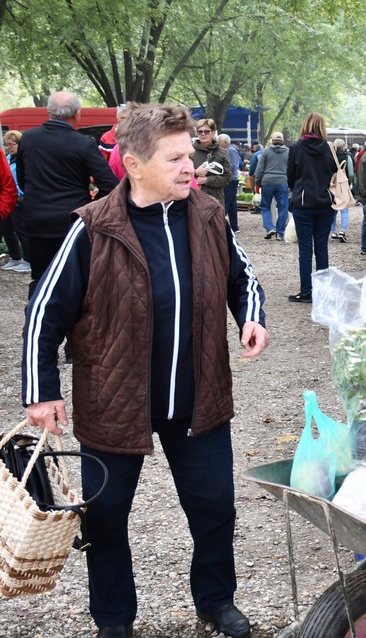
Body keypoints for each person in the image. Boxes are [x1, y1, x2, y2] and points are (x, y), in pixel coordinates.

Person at [21, 102, 268, 638]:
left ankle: (216, 600)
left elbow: (243, 277)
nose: (190, 167)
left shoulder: (207, 215)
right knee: (106, 520)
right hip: (114, 402)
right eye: (175, 158)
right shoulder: (93, 228)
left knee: (214, 509)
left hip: (197, 396)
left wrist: (252, 316)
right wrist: (41, 390)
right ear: (133, 164)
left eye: (189, 155)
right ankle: (113, 620)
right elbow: (44, 313)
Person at [17, 91, 119, 296]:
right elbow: (110, 184)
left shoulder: (28, 139)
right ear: (78, 114)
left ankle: (37, 323)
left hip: (36, 221)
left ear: (48, 112)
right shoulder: (82, 144)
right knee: (74, 278)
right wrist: (90, 206)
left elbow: (22, 180)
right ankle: (70, 326)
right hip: (71, 221)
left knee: (41, 277)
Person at [286, 112, 336, 303]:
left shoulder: (296, 148)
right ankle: (323, 290)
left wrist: (298, 189)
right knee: (322, 248)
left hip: (303, 204)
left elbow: (290, 176)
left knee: (305, 249)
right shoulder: (329, 149)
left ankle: (306, 290)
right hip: (325, 203)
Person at [1, 130, 29, 272]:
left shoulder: (24, 159)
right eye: (7, 145)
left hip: (20, 199)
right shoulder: (7, 158)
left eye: (12, 144)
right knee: (7, 230)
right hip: (8, 199)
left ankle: (27, 260)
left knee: (21, 231)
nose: (9, 147)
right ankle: (15, 257)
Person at [254, 131, 290, 241]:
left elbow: (259, 169)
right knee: (283, 208)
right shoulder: (289, 152)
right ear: (283, 141)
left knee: (265, 206)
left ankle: (269, 228)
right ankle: (280, 233)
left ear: (272, 141)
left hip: (267, 182)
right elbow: (292, 169)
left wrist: (257, 183)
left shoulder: (265, 152)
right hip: (283, 182)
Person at [190, 118, 232, 207]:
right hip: (194, 199)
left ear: (213, 132)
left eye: (206, 131)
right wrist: (196, 173)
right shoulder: (189, 151)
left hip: (215, 200)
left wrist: (206, 180)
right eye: (200, 131)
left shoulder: (222, 153)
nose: (203, 134)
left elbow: (227, 178)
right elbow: (179, 174)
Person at [218, 133, 242, 231]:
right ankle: (234, 226)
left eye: (219, 142)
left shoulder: (230, 150)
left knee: (226, 201)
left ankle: (222, 224)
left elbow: (233, 165)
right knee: (232, 202)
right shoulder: (231, 150)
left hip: (230, 178)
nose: (218, 144)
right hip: (233, 178)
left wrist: (220, 168)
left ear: (224, 142)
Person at [329, 139, 351, 243]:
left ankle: (333, 231)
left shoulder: (330, 156)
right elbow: (351, 173)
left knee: (333, 208)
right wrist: (350, 183)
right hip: (343, 185)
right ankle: (342, 231)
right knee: (344, 209)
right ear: (343, 147)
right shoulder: (347, 157)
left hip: (332, 185)